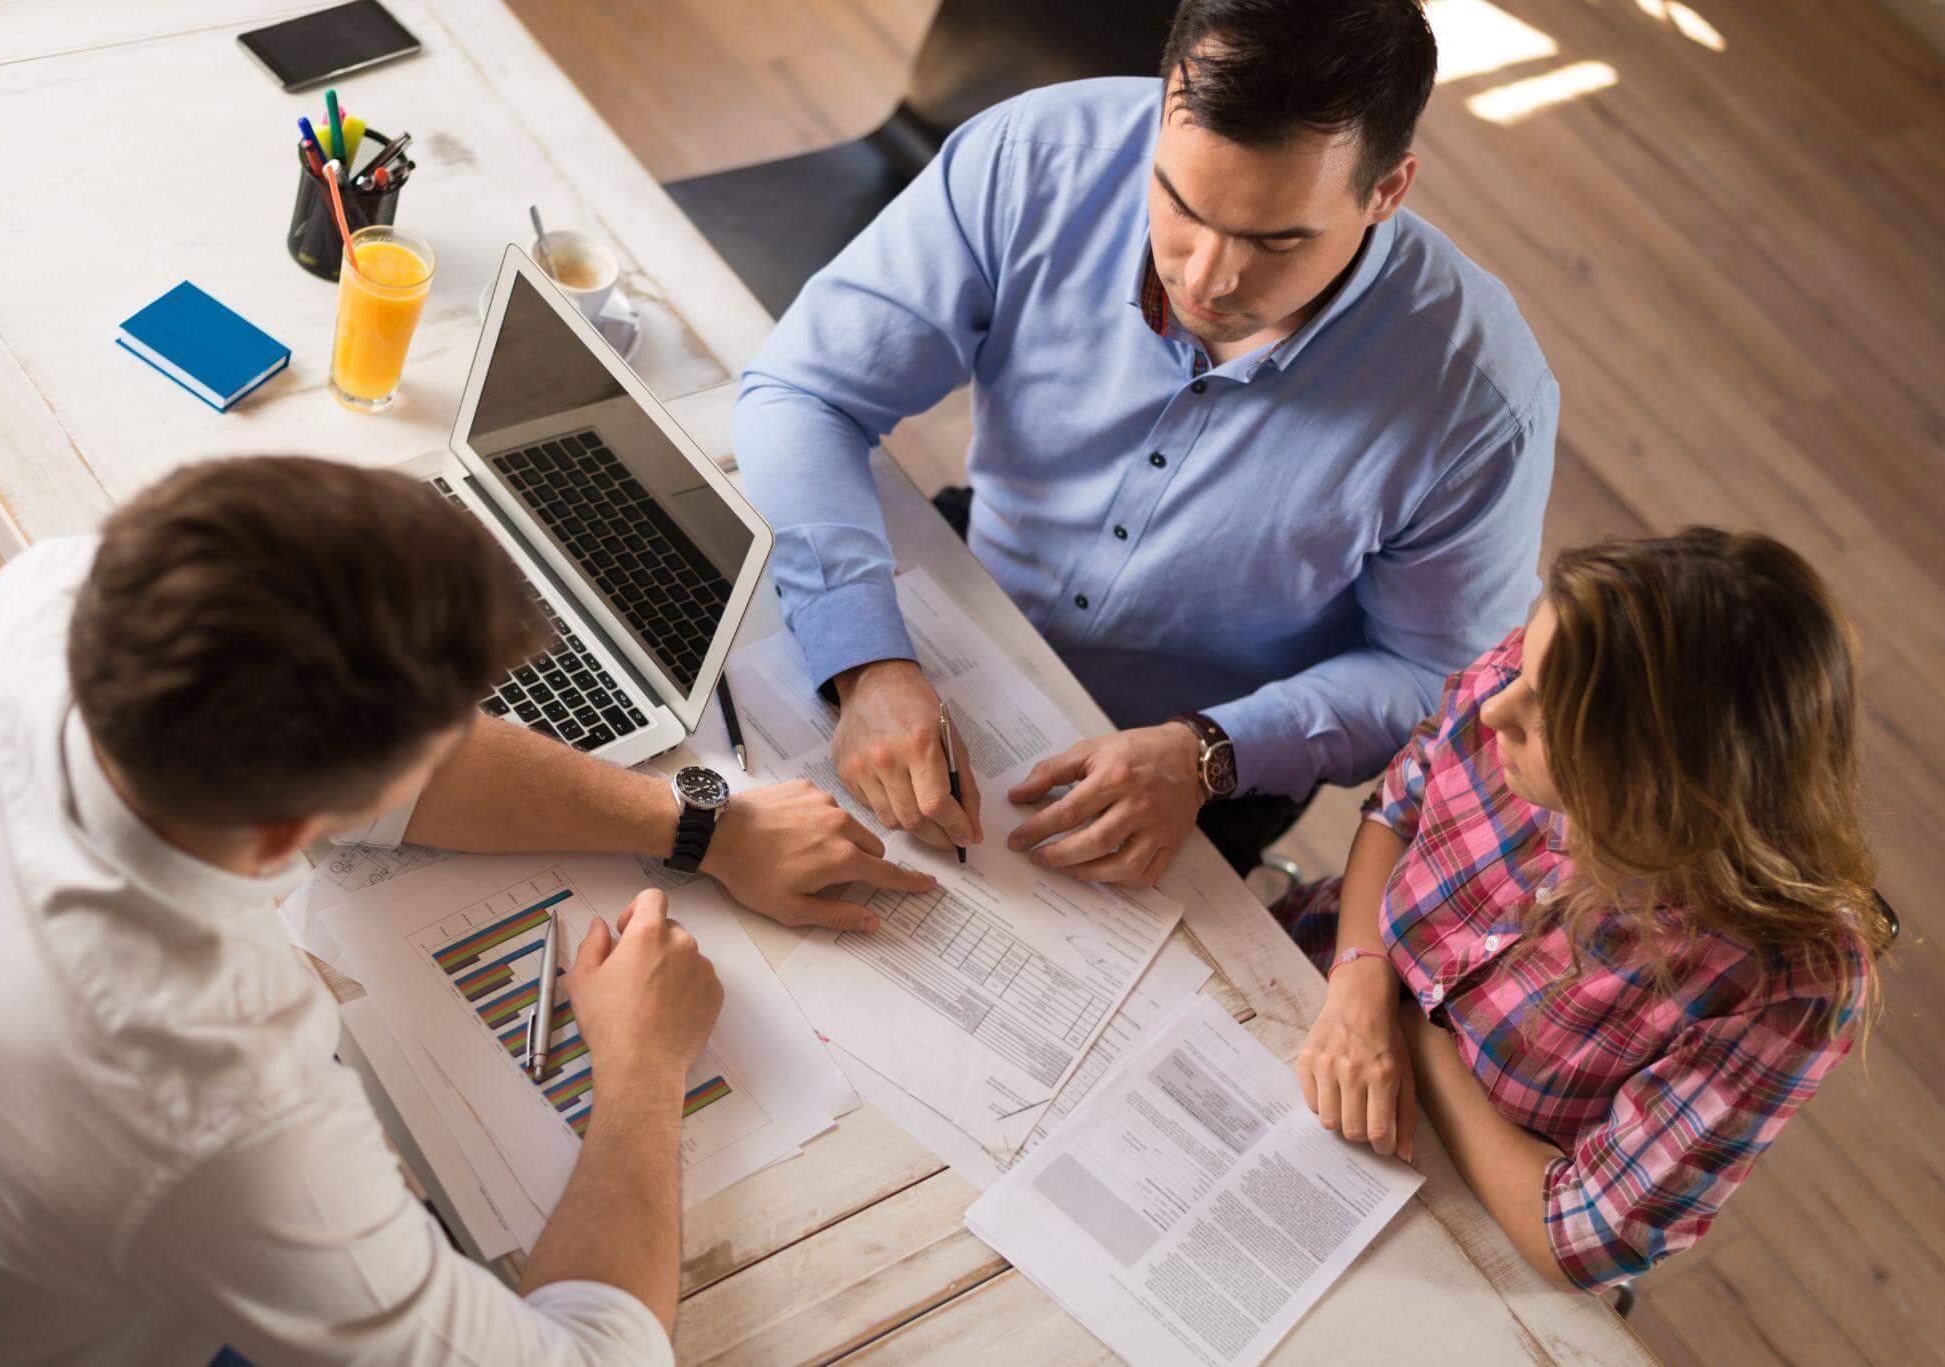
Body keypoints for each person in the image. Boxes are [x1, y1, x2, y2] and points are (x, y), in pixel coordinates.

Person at [0, 456, 935, 1365]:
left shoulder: (64, 591)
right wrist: (638, 1073)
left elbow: (410, 769)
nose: (466, 740)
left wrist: (698, 823)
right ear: (281, 837)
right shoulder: (213, 1101)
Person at [734, 0, 1557, 883]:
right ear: (1165, 104)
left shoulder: (1480, 404)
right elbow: (805, 389)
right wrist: (866, 659)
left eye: (1275, 241)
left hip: (1206, 755)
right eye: (1180, 203)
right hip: (967, 605)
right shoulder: (1036, 159)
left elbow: (1435, 671)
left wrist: (1208, 753)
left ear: (1388, 189)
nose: (1205, 278)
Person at [1280, 528, 1889, 1290]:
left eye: (1545, 715)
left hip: (1441, 1218)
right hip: (1298, 975)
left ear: (1659, 783)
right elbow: (1394, 812)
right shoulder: (1541, 665)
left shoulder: (1786, 982)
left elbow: (1584, 1232)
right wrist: (1362, 974)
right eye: (1522, 671)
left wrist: (1403, 1028)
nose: (1497, 707)